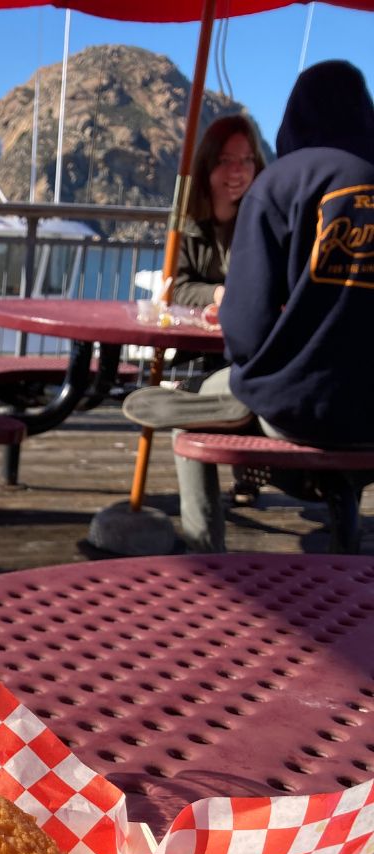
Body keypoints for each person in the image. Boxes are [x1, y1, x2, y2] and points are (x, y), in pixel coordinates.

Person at [124, 60, 374, 549]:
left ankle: (206, 553)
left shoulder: (280, 185)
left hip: (301, 409)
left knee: (194, 418)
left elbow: (246, 330)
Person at [172, 113, 266, 320]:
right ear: (207, 164)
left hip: (248, 341)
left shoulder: (265, 222)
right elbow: (175, 288)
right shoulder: (187, 224)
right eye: (225, 160)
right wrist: (215, 294)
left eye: (247, 160)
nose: (237, 171)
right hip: (195, 343)